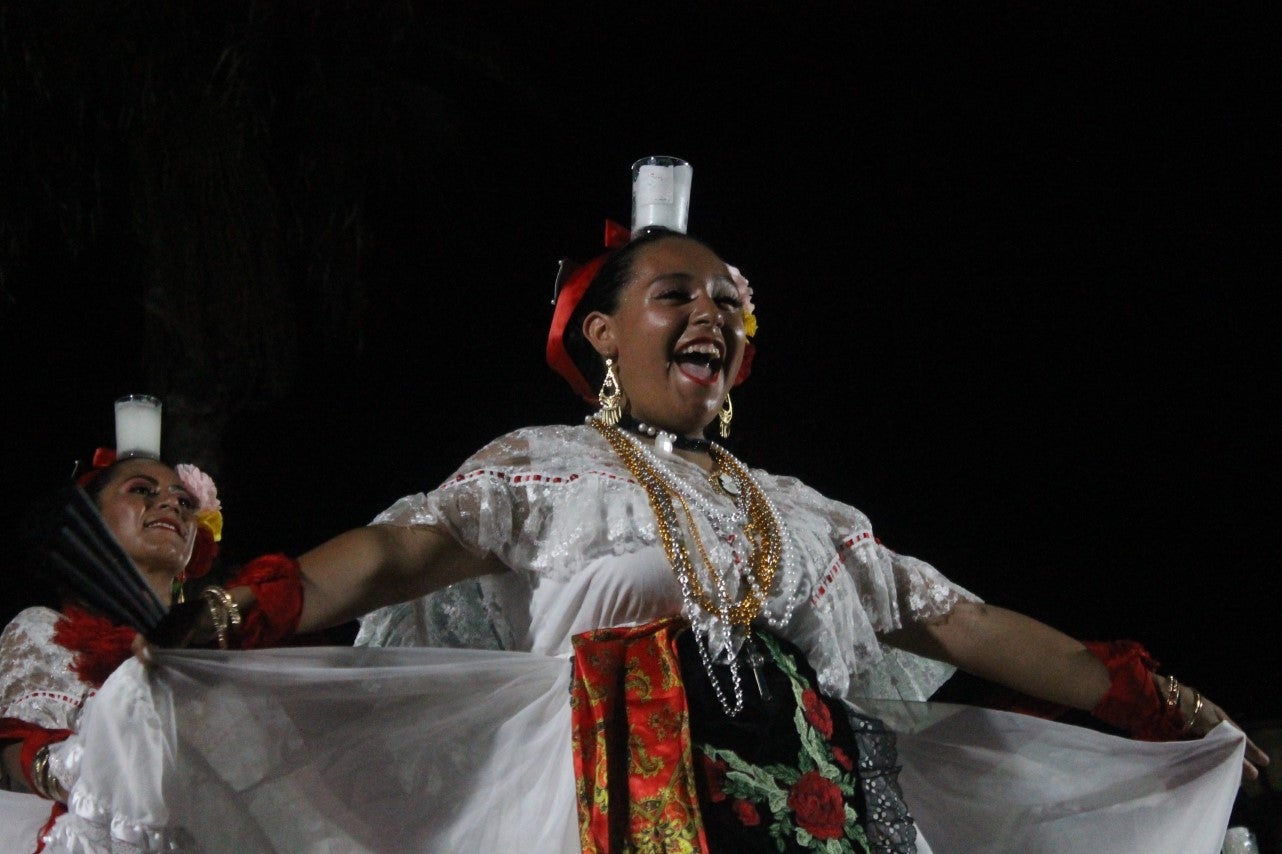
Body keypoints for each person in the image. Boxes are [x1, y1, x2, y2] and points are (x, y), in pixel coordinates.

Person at [125, 223, 1263, 851]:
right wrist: (237, 609)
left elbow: (964, 622)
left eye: (727, 301)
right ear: (603, 333)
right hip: (607, 802)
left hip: (816, 815)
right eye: (676, 294)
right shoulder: (547, 466)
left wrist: (1163, 704)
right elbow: (393, 556)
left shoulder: (806, 512)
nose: (711, 313)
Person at [0, 450, 222, 851]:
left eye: (185, 501)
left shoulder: (217, 662)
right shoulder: (45, 629)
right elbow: (21, 752)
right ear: (91, 523)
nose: (171, 503)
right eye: (142, 490)